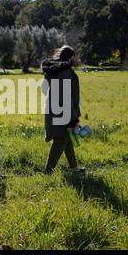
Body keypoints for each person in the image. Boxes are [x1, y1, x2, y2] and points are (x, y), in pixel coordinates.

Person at [42, 45, 86, 174]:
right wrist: (73, 118)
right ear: (71, 57)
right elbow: (69, 97)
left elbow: (44, 90)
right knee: (60, 141)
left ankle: (74, 168)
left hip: (52, 109)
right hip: (64, 112)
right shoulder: (66, 72)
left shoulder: (51, 70)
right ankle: (48, 173)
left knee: (66, 140)